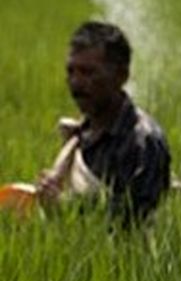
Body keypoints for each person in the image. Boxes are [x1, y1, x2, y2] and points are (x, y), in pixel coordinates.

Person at [36, 21, 172, 228]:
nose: (76, 82)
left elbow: (135, 221)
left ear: (121, 76)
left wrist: (65, 207)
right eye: (71, 71)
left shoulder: (142, 142)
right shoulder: (80, 135)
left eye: (88, 72)